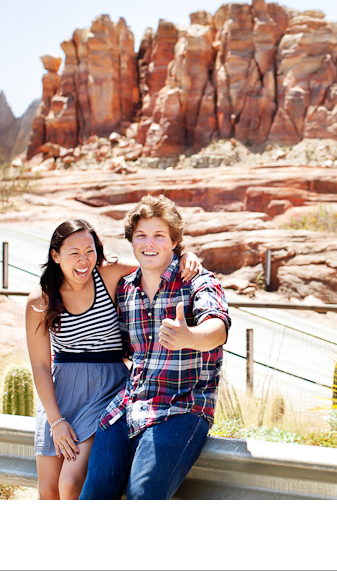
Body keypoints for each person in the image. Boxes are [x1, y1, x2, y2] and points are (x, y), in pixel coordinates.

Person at [26, 218, 202, 500]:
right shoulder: (41, 299)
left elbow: (156, 262)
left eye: (90, 251)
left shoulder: (107, 274)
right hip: (59, 394)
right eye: (74, 253)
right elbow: (40, 365)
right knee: (47, 491)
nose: (83, 261)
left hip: (105, 386)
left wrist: (185, 255)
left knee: (70, 484)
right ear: (55, 255)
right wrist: (55, 420)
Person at [79, 195, 230, 500]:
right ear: (131, 242)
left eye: (159, 235)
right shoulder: (126, 289)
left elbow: (219, 327)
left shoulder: (197, 281)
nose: (150, 243)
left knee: (143, 496)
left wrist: (191, 337)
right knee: (93, 497)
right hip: (127, 408)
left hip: (181, 407)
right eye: (141, 236)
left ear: (175, 242)